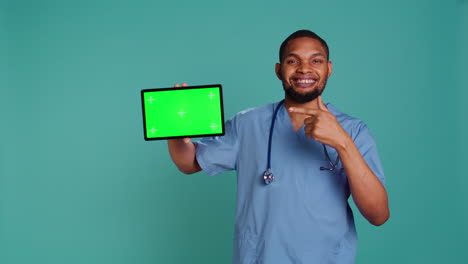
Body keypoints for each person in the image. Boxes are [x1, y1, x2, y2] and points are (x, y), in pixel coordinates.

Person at [167, 29, 389, 264]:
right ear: (278, 70)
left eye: (316, 61)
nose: (304, 68)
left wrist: (342, 143)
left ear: (329, 69)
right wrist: (176, 133)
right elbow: (189, 162)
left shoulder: (353, 131)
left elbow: (378, 215)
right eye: (293, 61)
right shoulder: (248, 123)